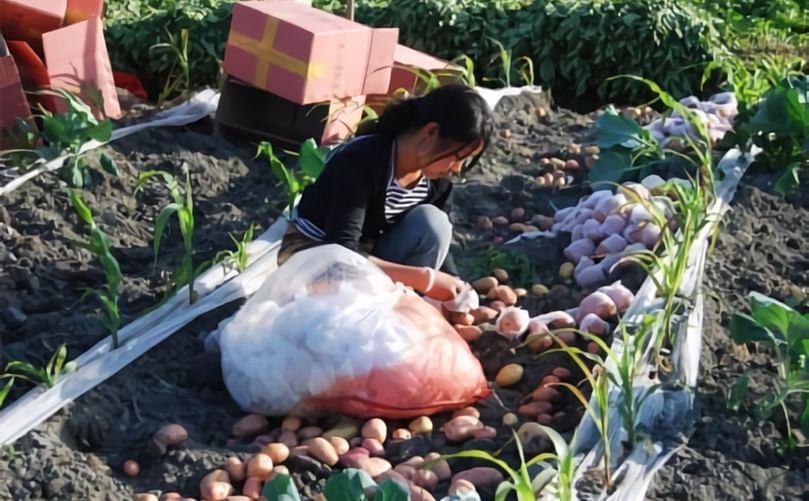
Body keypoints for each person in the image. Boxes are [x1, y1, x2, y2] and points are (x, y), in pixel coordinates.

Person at [277, 84, 494, 302]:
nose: (457, 168)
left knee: (433, 223)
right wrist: (424, 279)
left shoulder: (437, 183)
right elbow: (340, 250)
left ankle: (397, 304)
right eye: (458, 156)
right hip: (316, 259)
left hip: (366, 258)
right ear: (431, 132)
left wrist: (458, 288)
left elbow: (438, 245)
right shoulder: (362, 162)